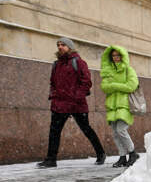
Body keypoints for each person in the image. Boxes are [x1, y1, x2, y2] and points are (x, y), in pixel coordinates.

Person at [37, 38, 106, 168]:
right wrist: (54, 96)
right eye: (58, 45)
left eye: (63, 45)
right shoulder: (56, 64)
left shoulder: (78, 62)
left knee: (86, 129)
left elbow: (86, 82)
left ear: (70, 47)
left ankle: (101, 153)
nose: (60, 47)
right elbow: (53, 83)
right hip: (59, 104)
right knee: (54, 131)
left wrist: (75, 97)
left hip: (77, 104)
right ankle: (51, 160)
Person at [100, 45, 140, 167]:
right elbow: (104, 87)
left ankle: (133, 153)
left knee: (121, 130)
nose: (115, 57)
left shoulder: (129, 70)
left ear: (123, 56)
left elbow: (131, 86)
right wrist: (118, 86)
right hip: (112, 106)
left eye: (118, 55)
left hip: (125, 105)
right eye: (113, 55)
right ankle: (122, 157)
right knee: (115, 133)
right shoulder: (108, 71)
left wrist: (114, 86)